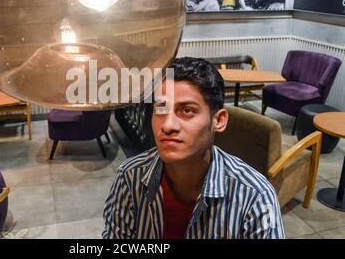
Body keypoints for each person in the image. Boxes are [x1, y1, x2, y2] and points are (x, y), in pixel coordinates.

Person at [102, 57, 285, 239]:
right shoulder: (130, 177)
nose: (168, 125)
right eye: (160, 109)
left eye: (187, 110)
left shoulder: (254, 196)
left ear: (218, 120)